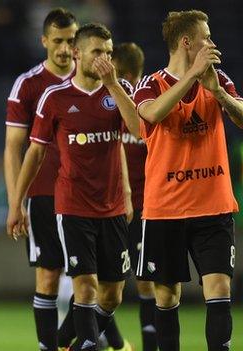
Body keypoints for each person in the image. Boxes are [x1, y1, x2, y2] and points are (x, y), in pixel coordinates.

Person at [7, 23, 138, 351]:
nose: (105, 59)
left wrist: (113, 85)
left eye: (109, 52)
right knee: (85, 288)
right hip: (73, 206)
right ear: (79, 54)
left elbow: (138, 129)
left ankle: (66, 341)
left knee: (113, 294)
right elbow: (34, 152)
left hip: (112, 207)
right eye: (97, 52)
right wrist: (16, 203)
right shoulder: (55, 97)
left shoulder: (119, 88)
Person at [133, 10, 242, 351]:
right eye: (206, 37)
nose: (211, 43)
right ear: (186, 42)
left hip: (213, 206)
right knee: (166, 296)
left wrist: (220, 95)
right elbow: (151, 113)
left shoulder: (218, 80)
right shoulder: (150, 84)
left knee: (220, 288)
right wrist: (192, 77)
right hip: (166, 209)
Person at [4, 8, 77, 351]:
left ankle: (71, 341)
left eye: (71, 40)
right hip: (45, 193)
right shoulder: (28, 85)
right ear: (44, 40)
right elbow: (13, 149)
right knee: (48, 276)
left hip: (89, 197)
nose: (65, 48)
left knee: (101, 282)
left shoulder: (91, 79)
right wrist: (15, 201)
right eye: (58, 41)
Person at [109, 42, 157, 351]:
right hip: (132, 207)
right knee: (132, 283)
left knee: (140, 282)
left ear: (122, 71)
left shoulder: (139, 103)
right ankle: (114, 341)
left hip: (135, 206)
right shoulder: (115, 106)